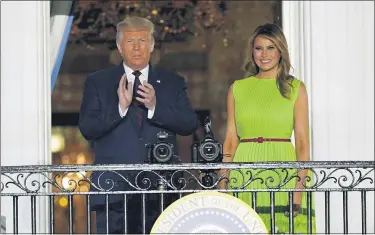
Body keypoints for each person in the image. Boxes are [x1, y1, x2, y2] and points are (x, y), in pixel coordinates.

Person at [78, 16, 197, 234]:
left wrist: (155, 107)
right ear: (119, 46)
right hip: (113, 191)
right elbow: (87, 128)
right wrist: (119, 109)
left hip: (161, 190)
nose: (137, 48)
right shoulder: (98, 82)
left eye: (142, 41)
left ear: (151, 45)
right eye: (130, 42)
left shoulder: (172, 82)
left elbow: (189, 124)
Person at [219, 23, 316, 233]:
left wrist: (298, 188)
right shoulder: (237, 89)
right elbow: (230, 140)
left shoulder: (296, 88)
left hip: (284, 171)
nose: (264, 54)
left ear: (281, 50)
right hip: (244, 171)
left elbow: (302, 142)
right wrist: (222, 182)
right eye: (259, 48)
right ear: (252, 52)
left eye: (271, 47)